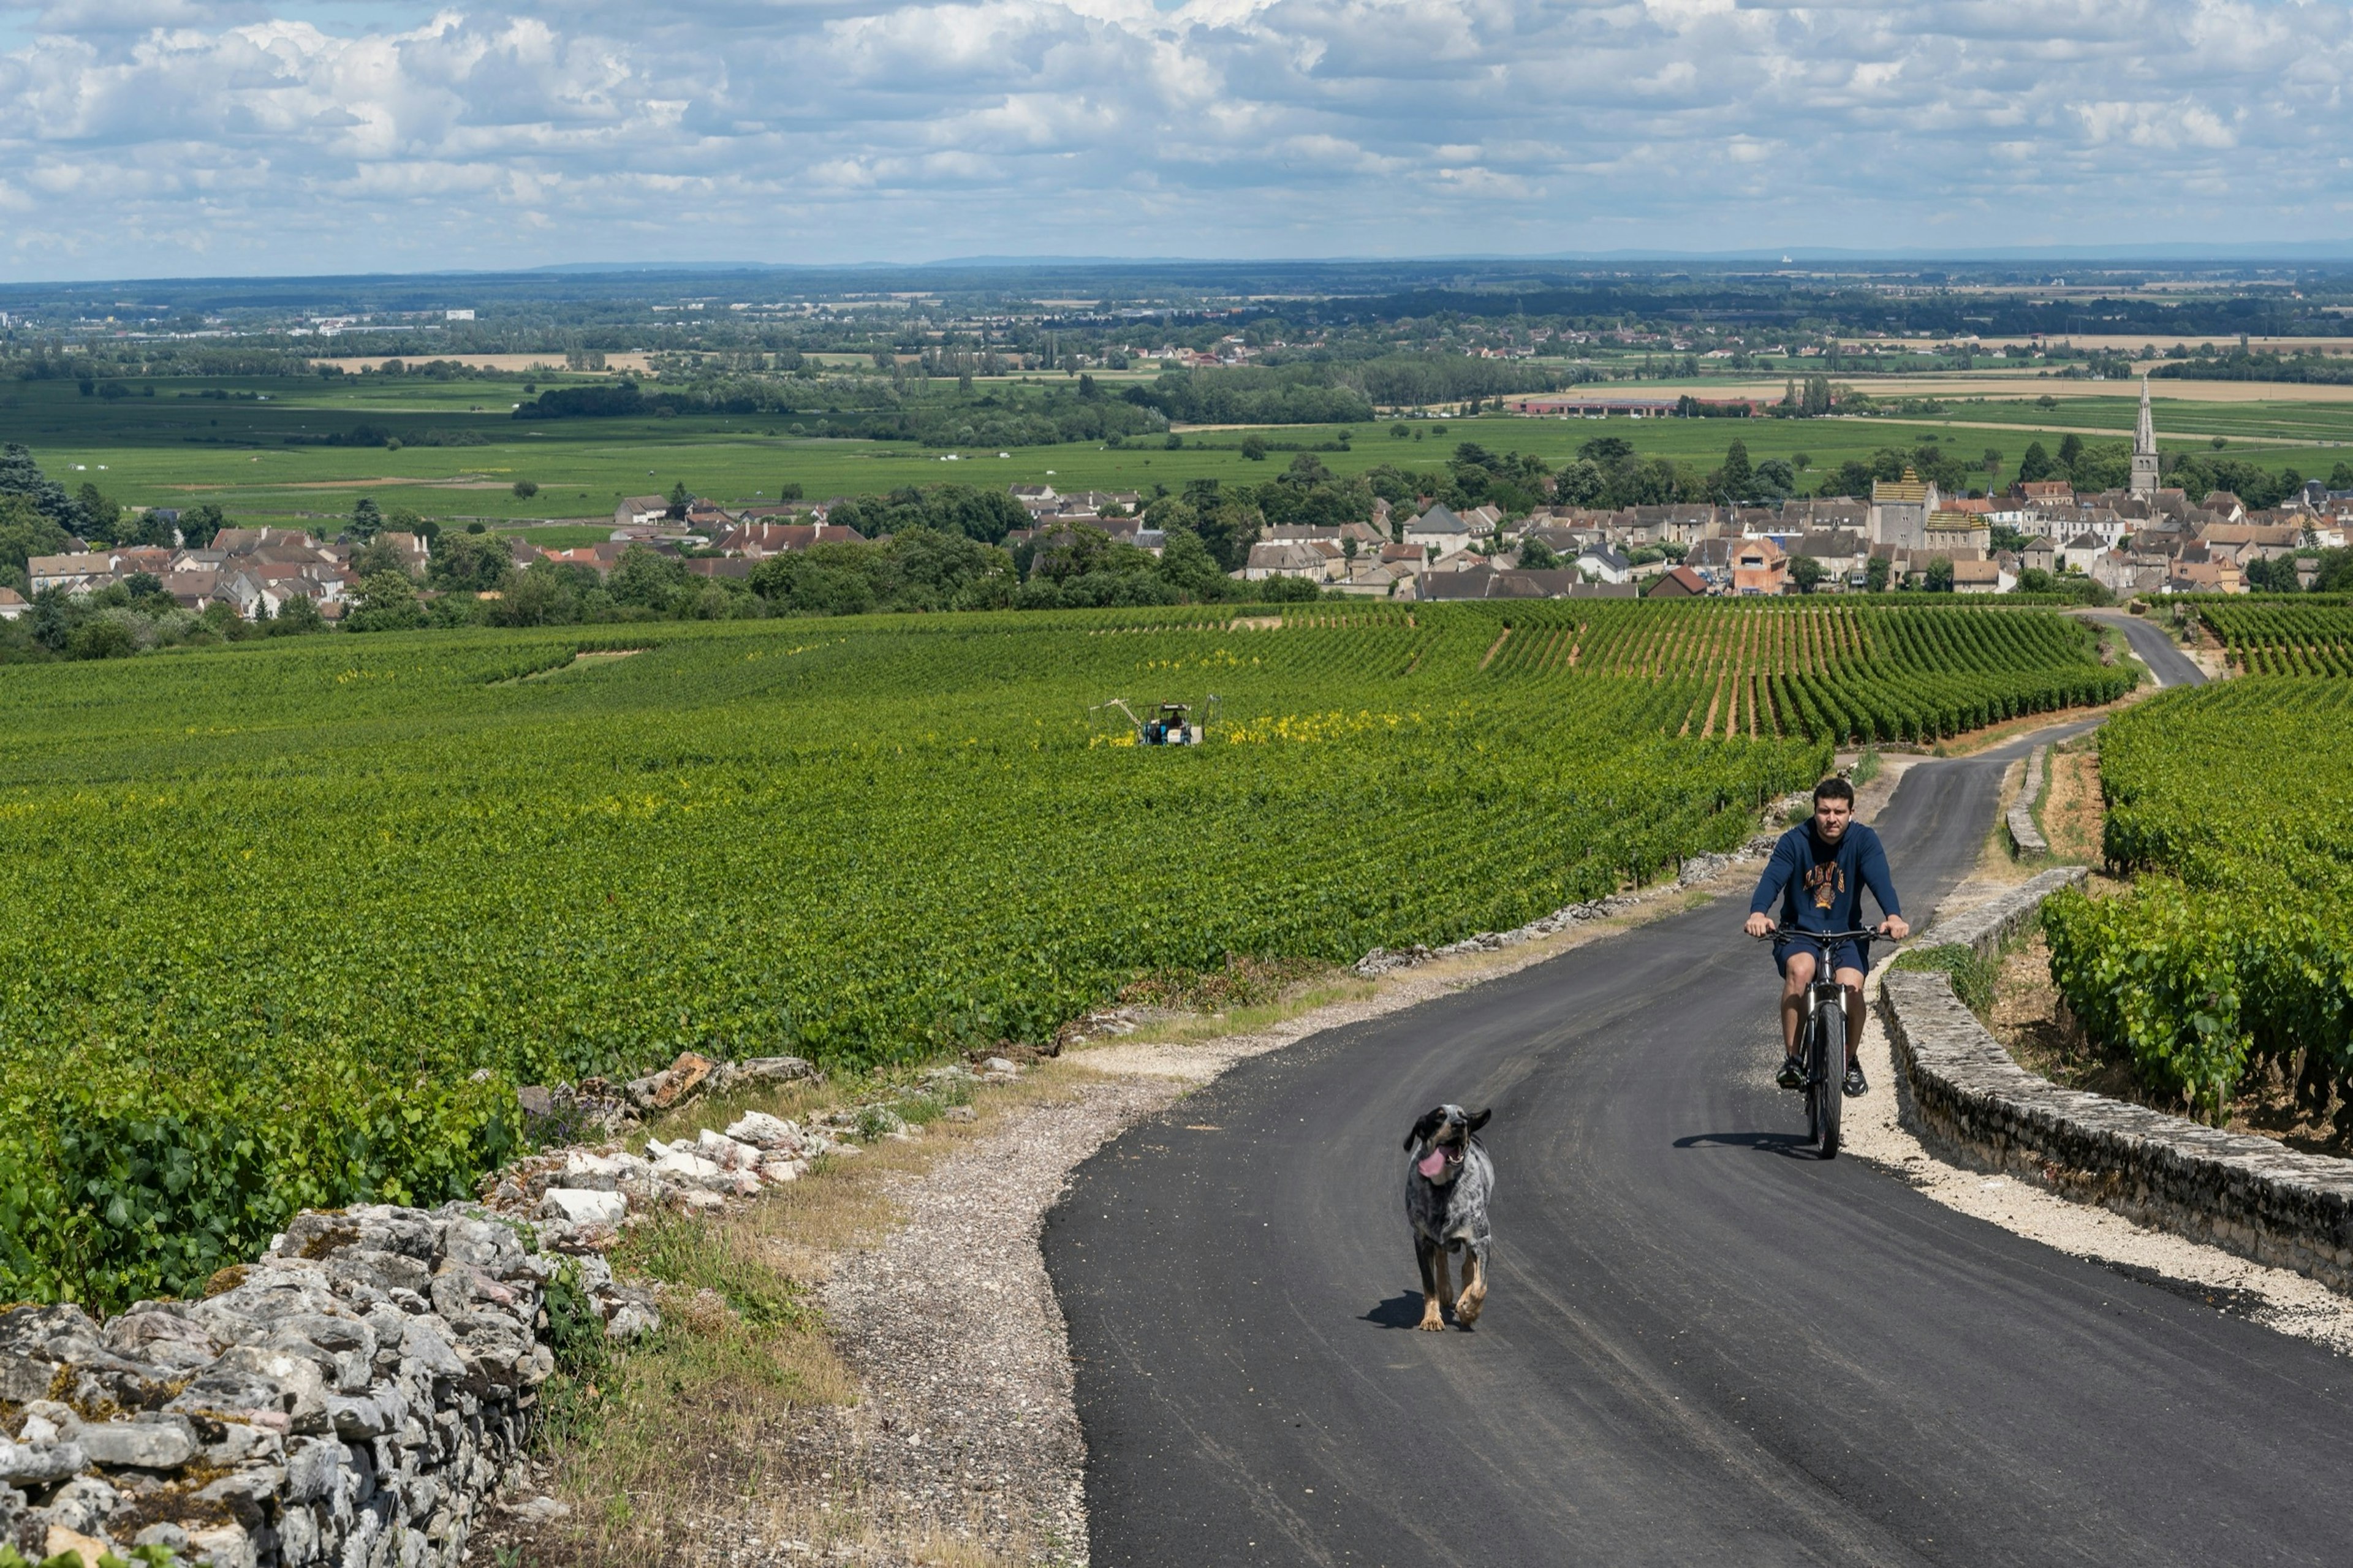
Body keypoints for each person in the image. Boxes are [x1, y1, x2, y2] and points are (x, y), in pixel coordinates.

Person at [1742, 775, 1909, 1097]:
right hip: (1799, 932)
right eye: (1824, 811)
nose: (1831, 819)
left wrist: (1894, 917)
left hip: (1847, 933)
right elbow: (1772, 878)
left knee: (1852, 987)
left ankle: (1848, 1061)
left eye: (1839, 812)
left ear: (1851, 812)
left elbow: (1880, 881)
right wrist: (1759, 913)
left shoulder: (1864, 841)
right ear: (1814, 810)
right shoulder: (1794, 841)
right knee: (1801, 971)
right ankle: (1793, 1060)